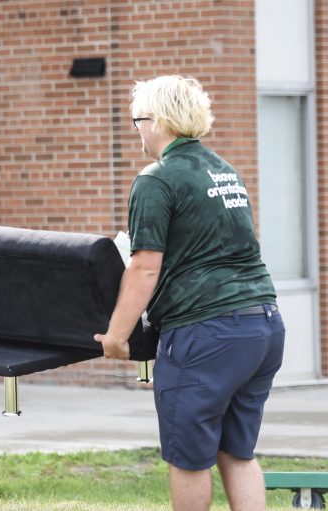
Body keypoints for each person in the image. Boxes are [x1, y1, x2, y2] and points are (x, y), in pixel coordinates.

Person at [94, 75, 285, 511]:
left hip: (207, 335)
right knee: (238, 453)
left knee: (189, 458)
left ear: (158, 121)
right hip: (264, 327)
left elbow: (144, 267)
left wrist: (116, 336)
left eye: (137, 120)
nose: (136, 131)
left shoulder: (156, 179)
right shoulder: (223, 170)